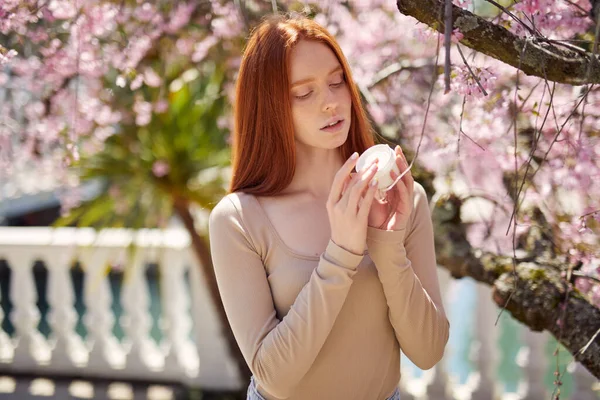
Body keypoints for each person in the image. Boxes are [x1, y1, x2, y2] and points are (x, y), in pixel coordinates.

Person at [208, 13, 449, 400]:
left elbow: (428, 351)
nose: (331, 102)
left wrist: (386, 245)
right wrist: (342, 254)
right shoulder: (238, 219)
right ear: (267, 108)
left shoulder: (401, 197)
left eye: (337, 82)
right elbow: (272, 376)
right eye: (304, 93)